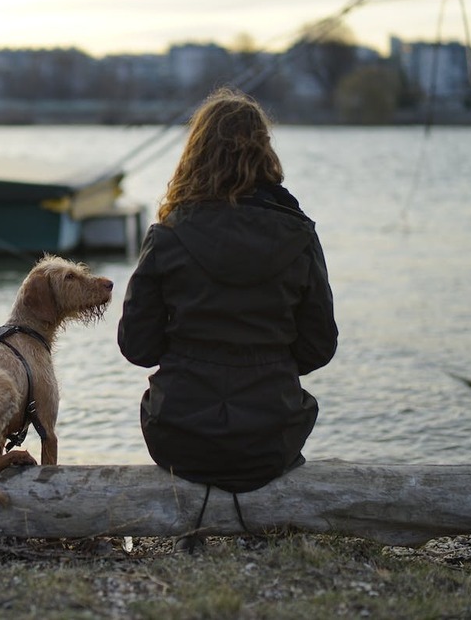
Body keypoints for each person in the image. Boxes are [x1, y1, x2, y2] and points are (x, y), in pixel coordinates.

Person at [117, 87, 338, 503]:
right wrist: (268, 361)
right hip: (271, 439)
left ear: (195, 153)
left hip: (180, 439)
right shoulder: (299, 235)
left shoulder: (167, 237)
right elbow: (319, 346)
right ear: (265, 153)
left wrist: (189, 352)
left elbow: (137, 347)